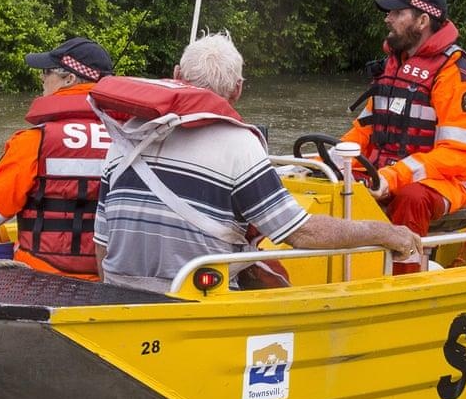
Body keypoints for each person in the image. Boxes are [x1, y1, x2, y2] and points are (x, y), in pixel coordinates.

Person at [90, 33, 422, 294]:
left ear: (176, 75)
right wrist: (386, 232)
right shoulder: (239, 144)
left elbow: (101, 245)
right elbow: (300, 233)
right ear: (237, 91)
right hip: (197, 303)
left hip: (120, 297)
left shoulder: (125, 134)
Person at [0, 37, 115, 278]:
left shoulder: (36, 141)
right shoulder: (134, 137)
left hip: (43, 277)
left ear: (69, 79)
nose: (42, 77)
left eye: (47, 72)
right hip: (113, 278)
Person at [339, 0, 466, 266]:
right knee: (337, 185)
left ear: (422, 20)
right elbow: (364, 130)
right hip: (389, 173)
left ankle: (406, 278)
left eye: (397, 13)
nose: (387, 18)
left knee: (410, 197)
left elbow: (459, 152)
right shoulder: (393, 66)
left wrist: (394, 176)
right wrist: (334, 161)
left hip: (445, 182)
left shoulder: (453, 70)